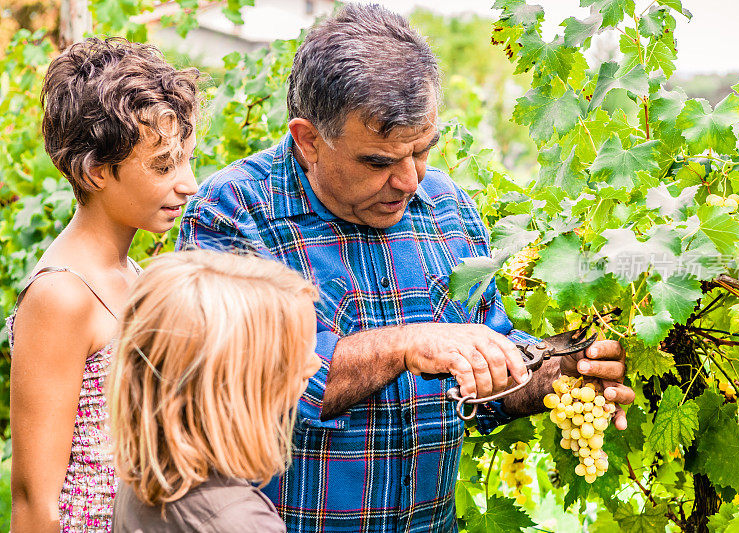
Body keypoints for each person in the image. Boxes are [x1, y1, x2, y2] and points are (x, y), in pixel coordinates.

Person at [178, 4, 634, 531]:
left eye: (421, 152)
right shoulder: (234, 214)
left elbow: (483, 387)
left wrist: (566, 370)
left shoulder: (448, 207)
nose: (410, 180)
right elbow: (250, 389)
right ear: (308, 140)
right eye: (379, 161)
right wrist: (405, 346)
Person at [7, 37, 199, 532]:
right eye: (164, 165)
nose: (189, 183)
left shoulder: (130, 274)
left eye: (186, 159)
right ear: (94, 171)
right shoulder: (62, 295)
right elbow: (34, 502)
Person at [107, 250, 322, 532]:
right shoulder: (239, 522)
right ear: (233, 384)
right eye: (297, 352)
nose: (315, 364)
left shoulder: (146, 477)